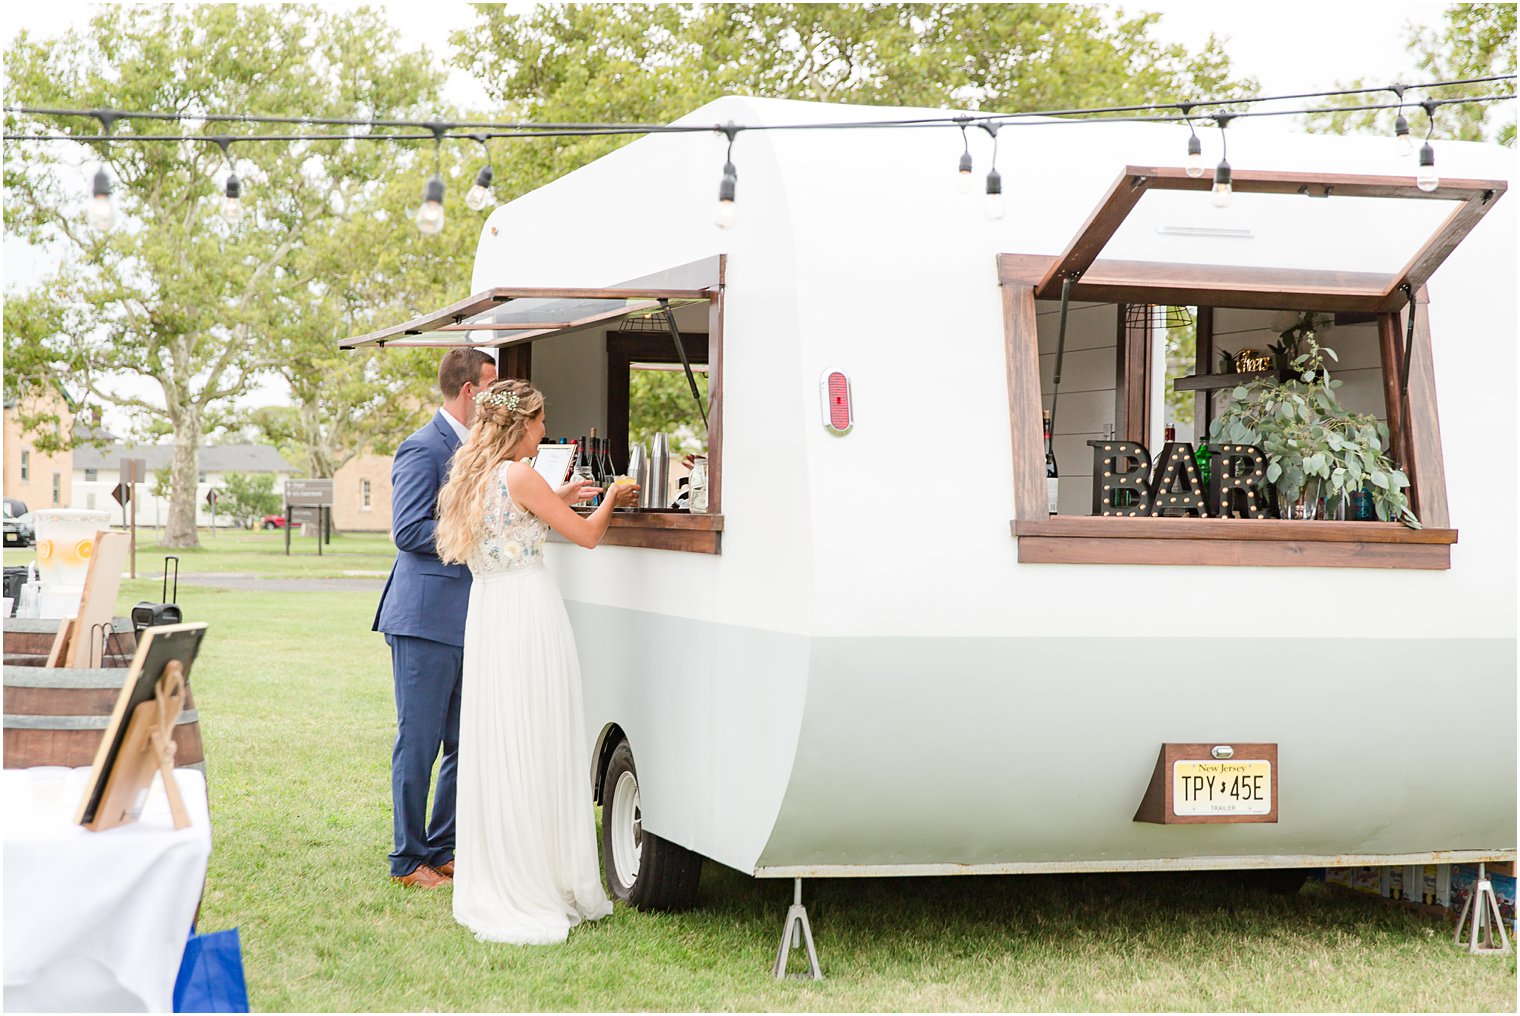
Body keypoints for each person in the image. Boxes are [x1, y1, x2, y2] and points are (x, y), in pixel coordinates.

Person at [434, 377, 639, 944]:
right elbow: (588, 538)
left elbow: (519, 518)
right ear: (521, 424)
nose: (546, 431)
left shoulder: (475, 475)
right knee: (539, 735)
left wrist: (559, 498)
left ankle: (508, 868)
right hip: (527, 611)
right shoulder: (521, 474)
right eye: (541, 421)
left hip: (491, 613)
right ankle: (540, 877)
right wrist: (612, 500)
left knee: (506, 739)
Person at [373, 348, 496, 888]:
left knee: (463, 741)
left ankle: (442, 847)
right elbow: (408, 531)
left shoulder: (482, 452)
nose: (495, 398)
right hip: (423, 618)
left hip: (470, 618)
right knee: (418, 742)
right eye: (491, 387)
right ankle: (407, 859)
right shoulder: (422, 447)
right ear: (469, 390)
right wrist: (477, 537)